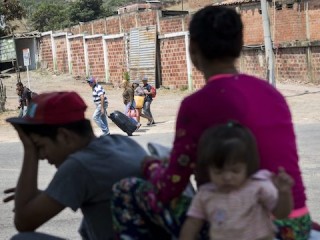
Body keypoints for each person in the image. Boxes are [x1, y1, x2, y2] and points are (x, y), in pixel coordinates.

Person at [111, 5, 313, 240]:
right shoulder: (271, 94)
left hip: (244, 225)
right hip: (295, 223)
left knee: (125, 190)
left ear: (193, 50)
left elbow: (171, 185)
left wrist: (152, 166)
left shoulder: (195, 105)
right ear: (239, 47)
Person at [3, 91, 148, 240]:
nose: (41, 156)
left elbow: (23, 222)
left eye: (40, 146)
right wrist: (51, 194)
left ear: (65, 136)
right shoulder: (121, 142)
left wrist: (29, 149)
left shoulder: (80, 165)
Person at [179, 122, 294, 240]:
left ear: (248, 166)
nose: (227, 177)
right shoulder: (205, 194)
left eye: (235, 171)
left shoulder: (258, 187)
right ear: (207, 169)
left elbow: (280, 214)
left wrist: (284, 193)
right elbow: (193, 223)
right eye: (218, 172)